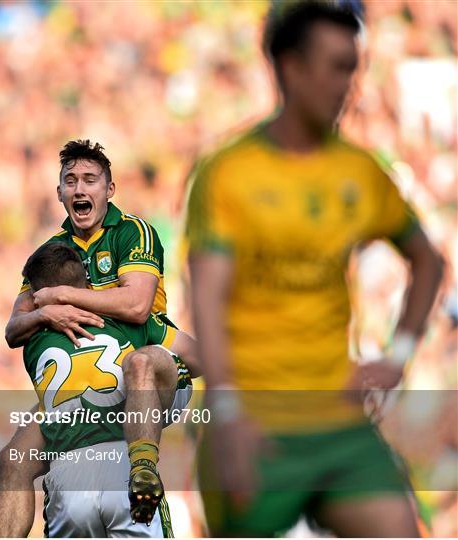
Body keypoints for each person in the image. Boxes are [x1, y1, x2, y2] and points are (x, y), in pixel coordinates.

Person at [186, 2, 443, 537]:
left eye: (353, 67)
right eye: (334, 67)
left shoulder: (358, 171)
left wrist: (396, 357)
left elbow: (428, 260)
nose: (346, 85)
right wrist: (228, 417)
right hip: (256, 428)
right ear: (290, 68)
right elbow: (205, 300)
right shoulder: (228, 173)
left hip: (340, 423)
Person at [0, 140, 198, 536]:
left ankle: (142, 470)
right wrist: (44, 312)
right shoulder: (50, 253)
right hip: (87, 378)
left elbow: (138, 306)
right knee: (14, 459)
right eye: (70, 181)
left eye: (90, 179)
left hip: (145, 363)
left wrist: (61, 296)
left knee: (139, 365)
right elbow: (13, 329)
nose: (79, 189)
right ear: (59, 193)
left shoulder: (132, 230)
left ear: (109, 189)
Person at [20, 242, 196, 537]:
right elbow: (198, 358)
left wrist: (39, 313)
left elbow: (12, 330)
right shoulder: (128, 320)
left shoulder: (33, 342)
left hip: (67, 478)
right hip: (123, 461)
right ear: (87, 282)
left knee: (13, 458)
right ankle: (144, 463)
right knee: (144, 365)